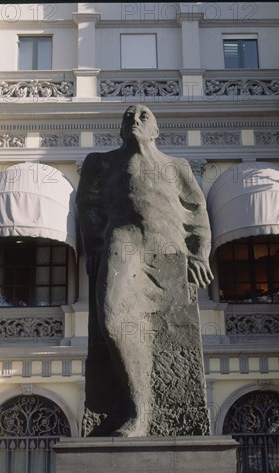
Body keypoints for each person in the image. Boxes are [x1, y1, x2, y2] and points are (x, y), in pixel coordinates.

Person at [77, 104, 213, 436]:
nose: (134, 121)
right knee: (112, 320)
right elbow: (87, 206)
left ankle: (155, 413)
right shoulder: (102, 162)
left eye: (143, 116)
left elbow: (196, 212)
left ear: (155, 130)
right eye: (128, 117)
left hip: (168, 251)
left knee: (168, 333)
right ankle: (139, 409)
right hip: (124, 244)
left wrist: (200, 254)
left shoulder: (175, 166)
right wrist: (94, 246)